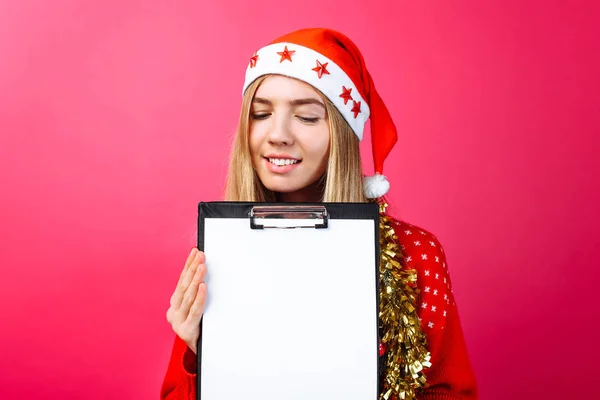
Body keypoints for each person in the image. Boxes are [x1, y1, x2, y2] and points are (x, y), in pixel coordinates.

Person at [160, 28, 477, 400]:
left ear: (342, 135)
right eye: (261, 114)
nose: (277, 134)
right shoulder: (221, 251)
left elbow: (449, 391)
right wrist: (202, 352)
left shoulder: (414, 256)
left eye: (307, 117)